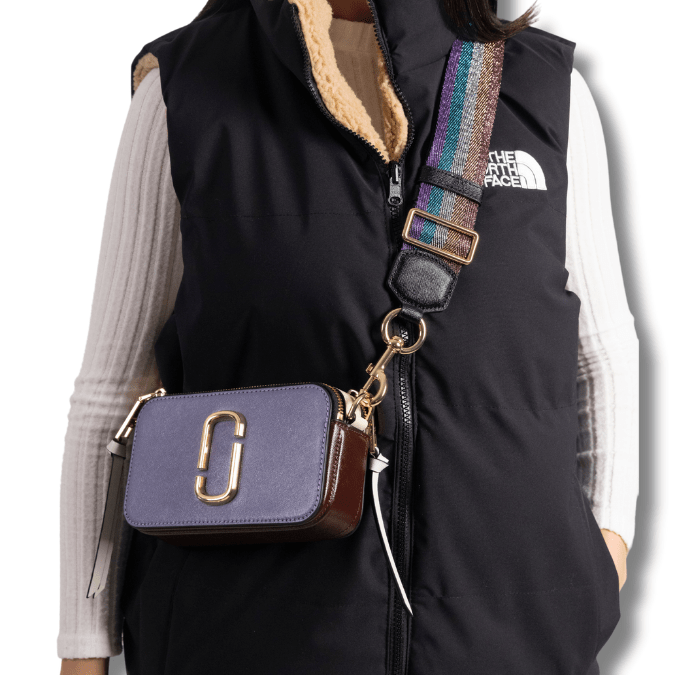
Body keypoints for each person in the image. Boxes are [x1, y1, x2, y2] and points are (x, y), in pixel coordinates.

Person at [58, 1, 639, 674]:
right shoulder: (187, 86)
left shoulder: (544, 87)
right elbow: (114, 391)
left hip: (516, 640)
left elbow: (601, 351)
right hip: (242, 641)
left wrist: (606, 548)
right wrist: (83, 647)